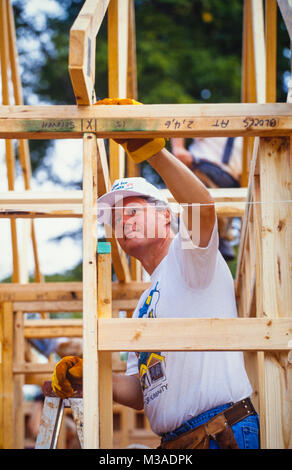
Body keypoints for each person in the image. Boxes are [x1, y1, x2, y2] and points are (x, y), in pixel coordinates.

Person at [51, 98, 259, 449]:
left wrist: (154, 152)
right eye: (116, 218)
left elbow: (201, 209)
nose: (123, 220)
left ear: (165, 217)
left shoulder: (189, 259)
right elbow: (139, 390)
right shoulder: (143, 305)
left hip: (220, 432)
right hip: (178, 441)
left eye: (133, 209)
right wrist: (88, 377)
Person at [171, 137, 243, 261]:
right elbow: (181, 120)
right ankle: (187, 254)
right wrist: (178, 148)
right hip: (203, 171)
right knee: (193, 234)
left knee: (214, 248)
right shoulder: (218, 118)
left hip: (231, 183)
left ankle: (219, 240)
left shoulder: (248, 129)